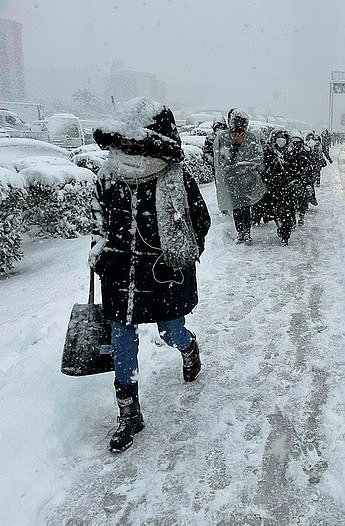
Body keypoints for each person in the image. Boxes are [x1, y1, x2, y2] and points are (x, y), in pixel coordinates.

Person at [90, 97, 211, 453]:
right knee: (122, 339)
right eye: (124, 142)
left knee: (170, 330)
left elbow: (199, 222)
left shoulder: (175, 177)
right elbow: (98, 223)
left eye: (135, 143)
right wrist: (100, 253)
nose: (128, 149)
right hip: (119, 274)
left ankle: (188, 347)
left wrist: (179, 255)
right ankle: (128, 413)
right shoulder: (107, 176)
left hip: (162, 274)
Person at [213, 108, 265, 243]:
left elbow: (258, 155)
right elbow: (224, 159)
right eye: (237, 120)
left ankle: (247, 232)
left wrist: (251, 166)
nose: (239, 123)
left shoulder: (251, 137)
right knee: (236, 206)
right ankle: (240, 232)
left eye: (242, 120)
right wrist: (236, 145)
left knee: (246, 206)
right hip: (231, 178)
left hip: (248, 178)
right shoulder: (224, 137)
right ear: (232, 121)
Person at [261, 129, 296, 245]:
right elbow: (264, 168)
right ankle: (280, 226)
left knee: (287, 212)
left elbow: (295, 168)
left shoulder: (291, 152)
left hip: (288, 187)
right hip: (273, 187)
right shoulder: (269, 151)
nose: (281, 139)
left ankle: (285, 234)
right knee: (276, 212)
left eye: (283, 137)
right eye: (278, 137)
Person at [287, 131, 312, 226]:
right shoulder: (288, 153)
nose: (296, 144)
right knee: (289, 201)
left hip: (303, 180)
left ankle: (301, 216)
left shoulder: (306, 152)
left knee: (304, 197)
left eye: (298, 142)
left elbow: (309, 167)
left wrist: (305, 174)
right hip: (291, 180)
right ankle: (292, 219)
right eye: (294, 142)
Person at [305, 131, 325, 198]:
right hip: (314, 162)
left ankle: (317, 182)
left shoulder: (319, 145)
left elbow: (323, 152)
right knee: (314, 173)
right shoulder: (309, 145)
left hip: (317, 162)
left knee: (317, 172)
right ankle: (315, 182)